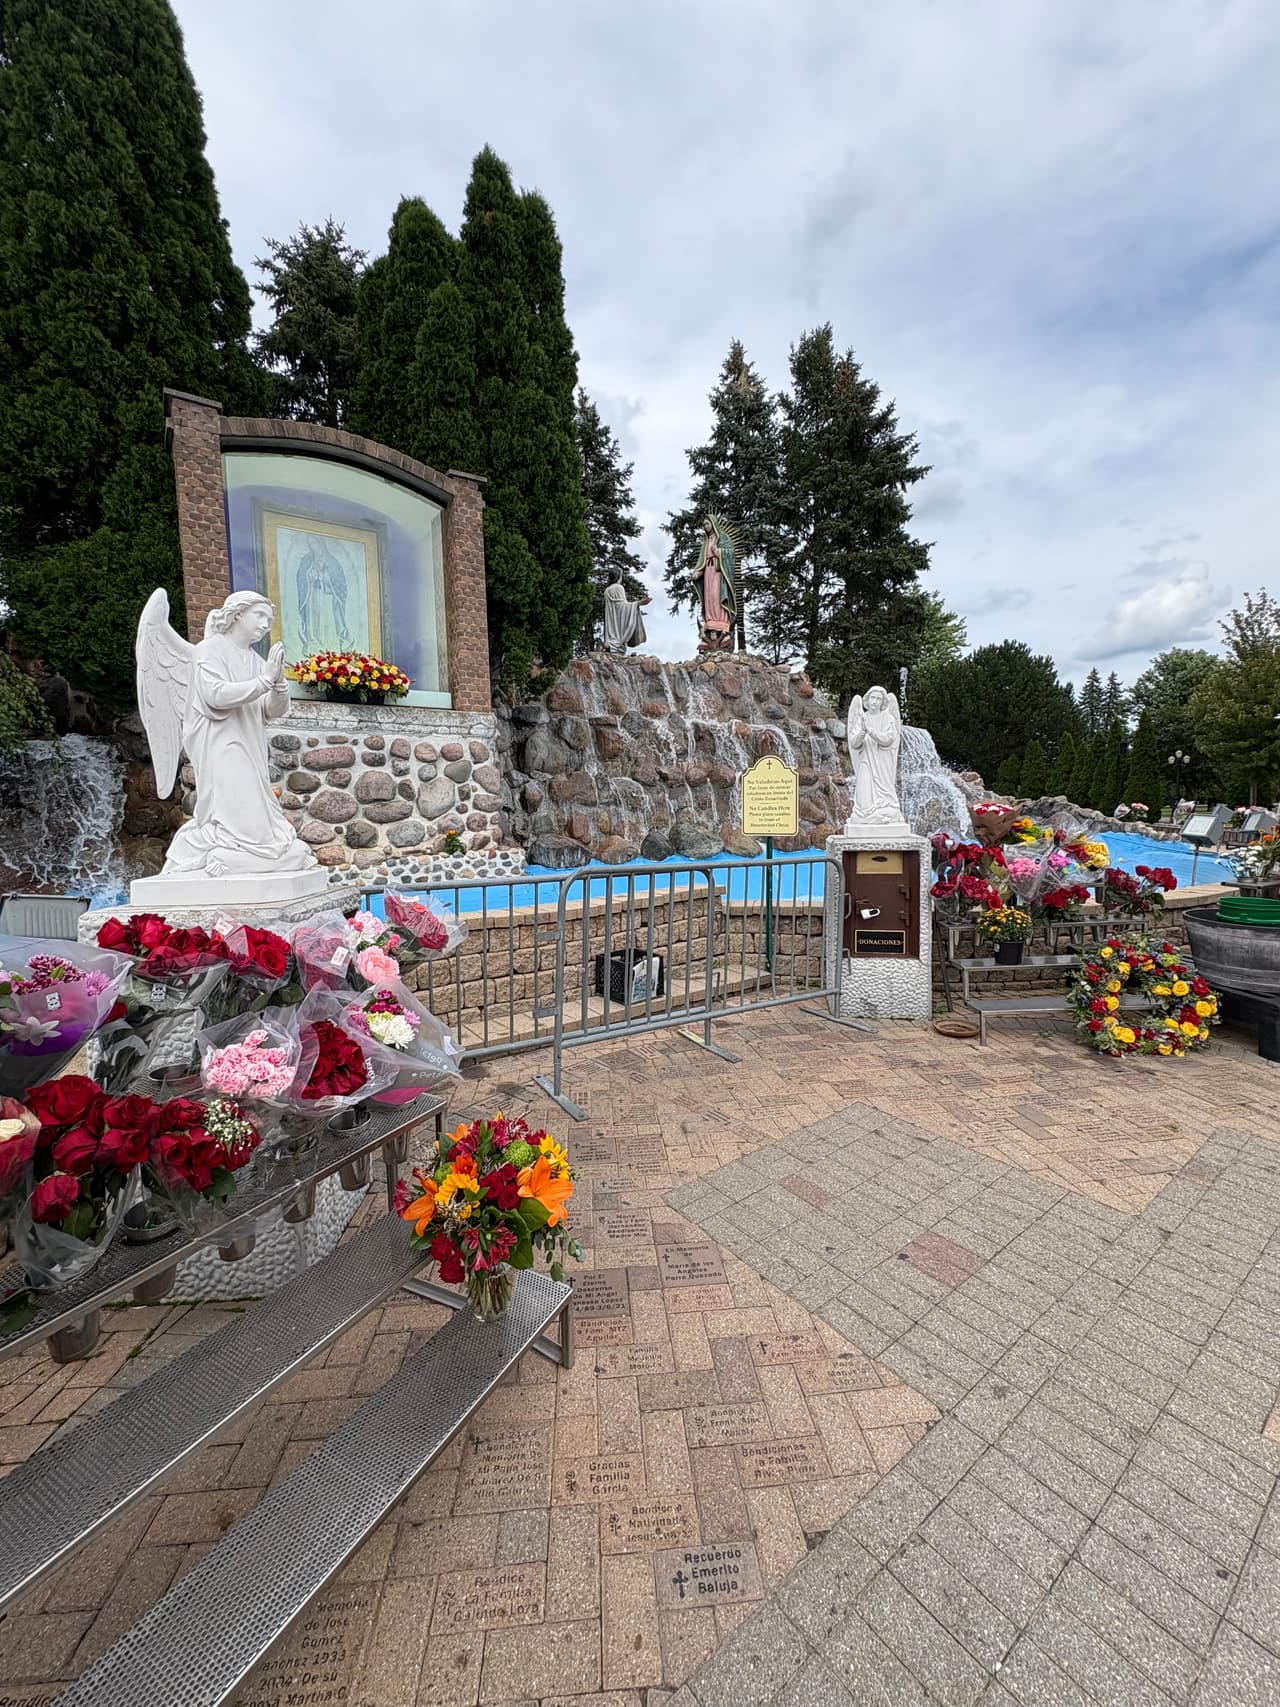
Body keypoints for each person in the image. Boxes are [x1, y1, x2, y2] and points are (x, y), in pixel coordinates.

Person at [163, 593, 317, 877]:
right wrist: (264, 681)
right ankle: (230, 856)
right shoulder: (209, 650)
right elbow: (215, 695)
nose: (265, 624)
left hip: (250, 745)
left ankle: (251, 859)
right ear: (236, 615)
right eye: (259, 616)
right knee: (239, 815)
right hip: (222, 745)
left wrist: (279, 685)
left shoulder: (256, 660)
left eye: (269, 620)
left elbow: (271, 711)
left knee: (262, 823)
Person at [602, 568, 650, 652]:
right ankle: (615, 645)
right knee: (618, 641)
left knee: (613, 633)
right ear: (618, 577)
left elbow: (617, 607)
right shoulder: (619, 588)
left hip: (611, 621)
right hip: (618, 622)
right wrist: (638, 603)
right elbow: (623, 606)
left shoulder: (607, 590)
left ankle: (610, 643)